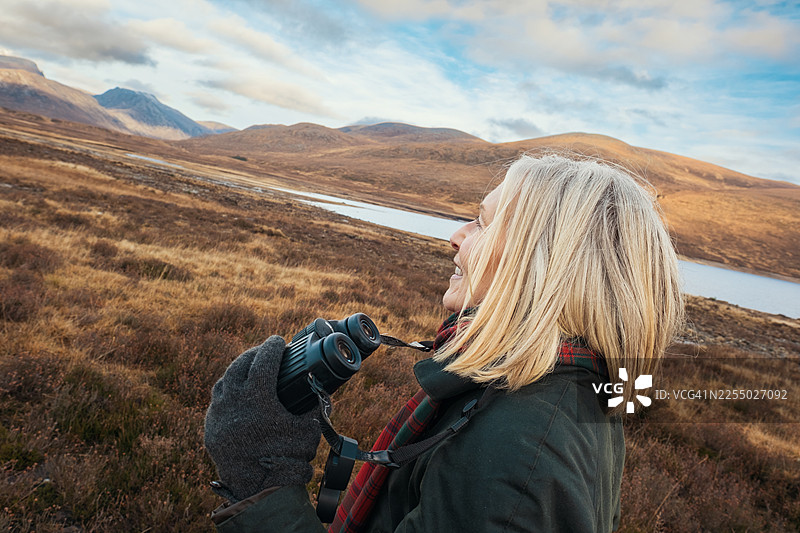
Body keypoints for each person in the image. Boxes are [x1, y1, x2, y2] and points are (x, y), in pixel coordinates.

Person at [203, 153, 684, 532]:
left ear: (541, 264)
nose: (455, 236)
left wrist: (262, 481)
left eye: (481, 221)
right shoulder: (569, 393)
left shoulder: (516, 454)